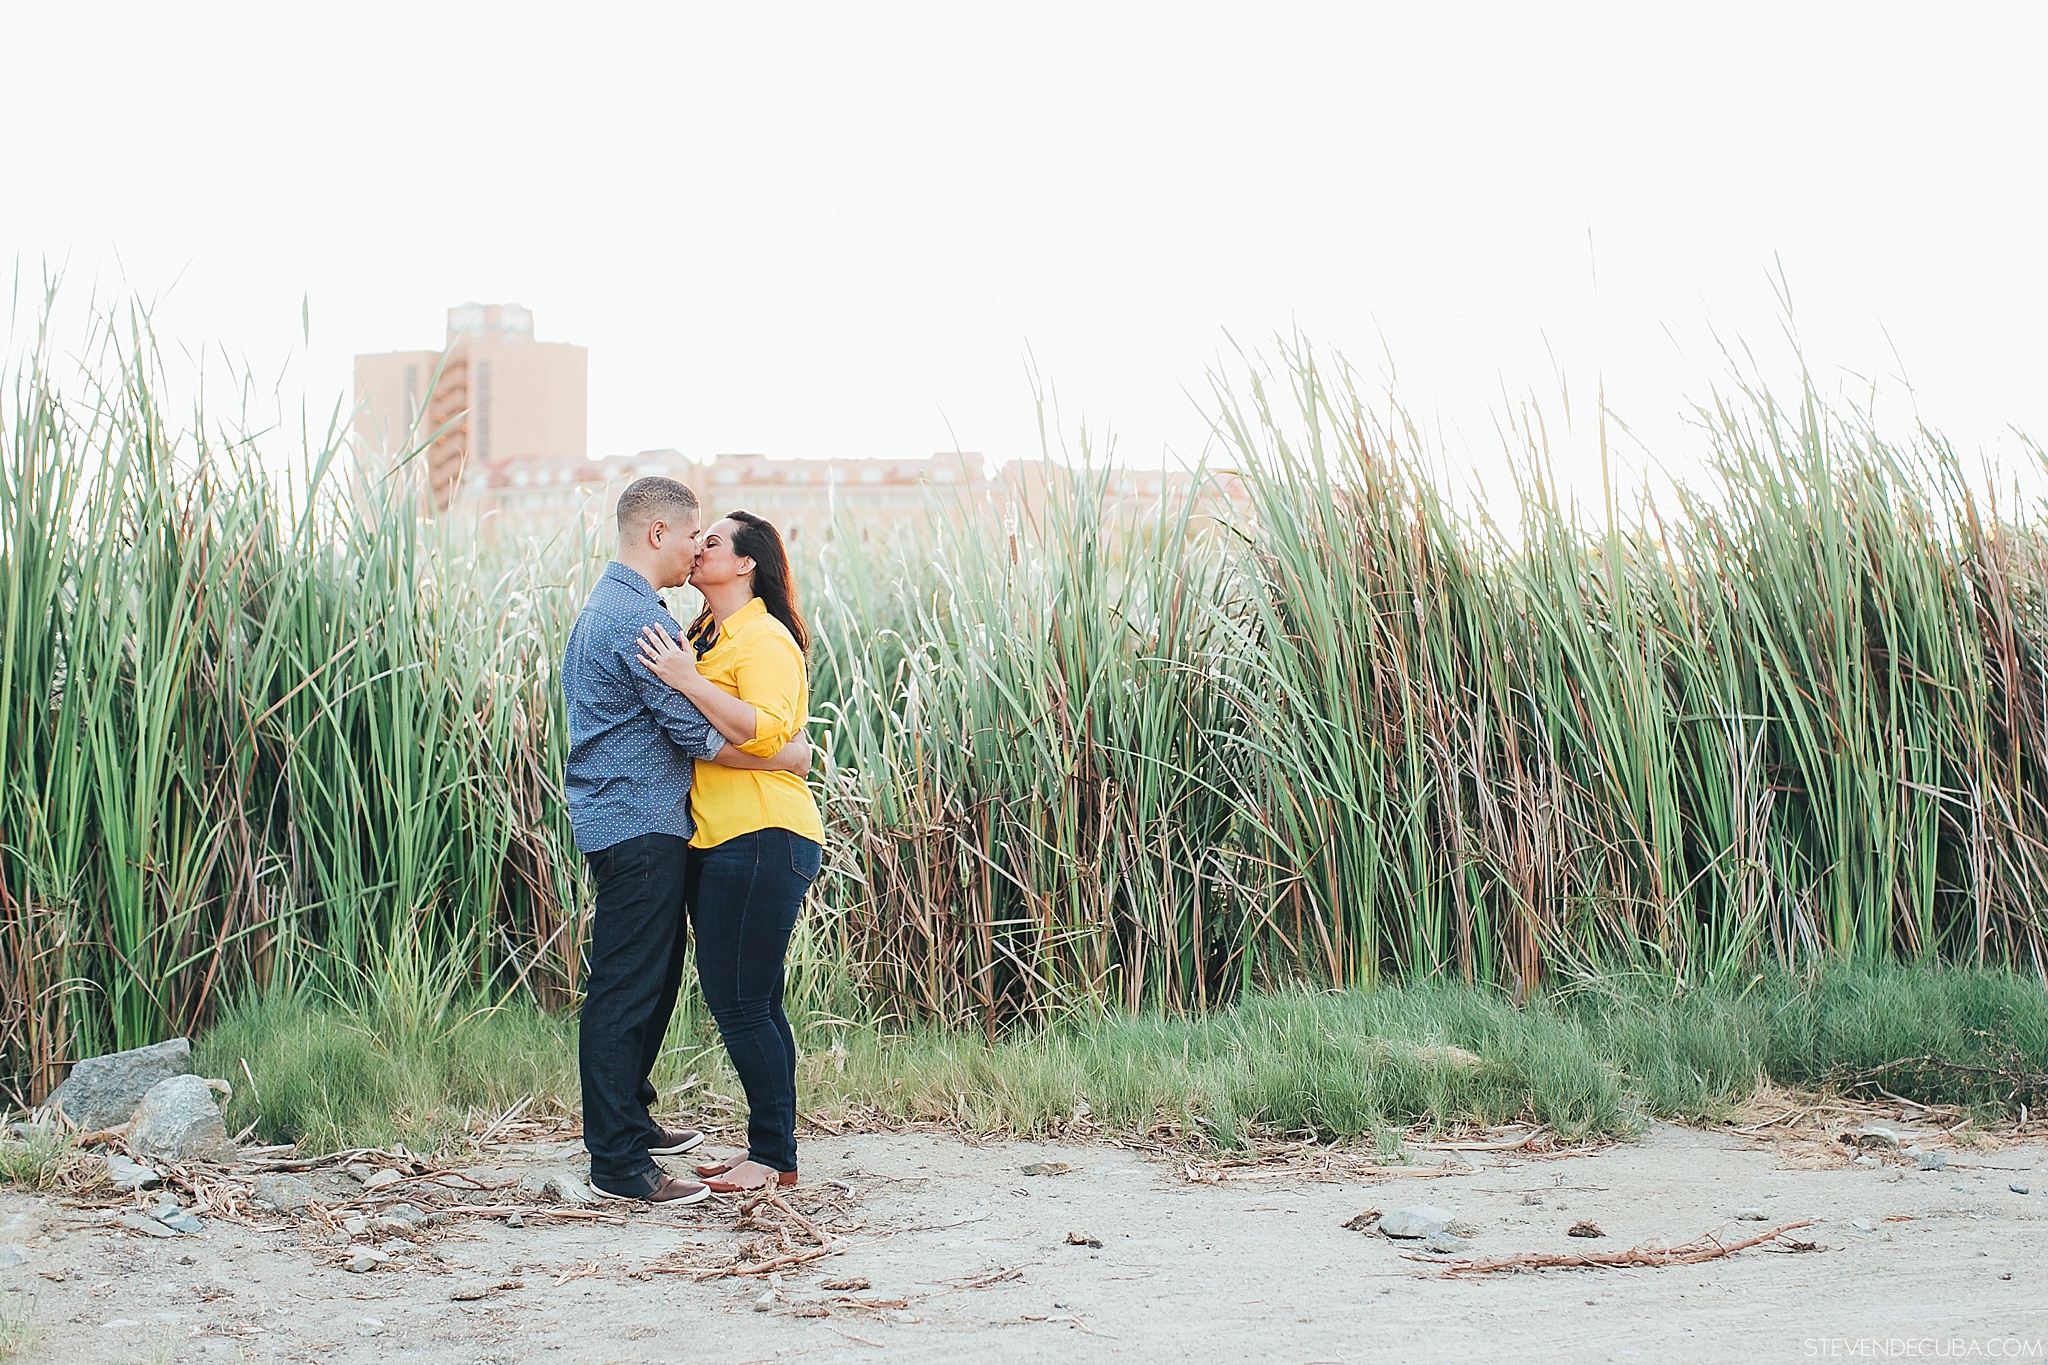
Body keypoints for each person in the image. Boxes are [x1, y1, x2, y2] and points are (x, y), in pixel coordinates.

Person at [562, 479, 811, 1204]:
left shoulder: (630, 610)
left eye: (712, 539)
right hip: (640, 824)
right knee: (628, 987)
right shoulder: (640, 620)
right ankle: (618, 1161)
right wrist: (785, 755)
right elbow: (692, 729)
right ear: (658, 533)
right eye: (692, 535)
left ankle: (633, 1125)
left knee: (657, 978)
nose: (697, 549)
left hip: (653, 823)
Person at [636, 509, 824, 1193]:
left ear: (745, 563)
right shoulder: (704, 635)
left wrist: (688, 680)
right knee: (754, 1001)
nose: (697, 546)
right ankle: (771, 1149)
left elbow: (772, 734)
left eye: (710, 540)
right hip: (721, 839)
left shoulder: (764, 636)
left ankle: (773, 1157)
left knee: (742, 1003)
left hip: (763, 835)